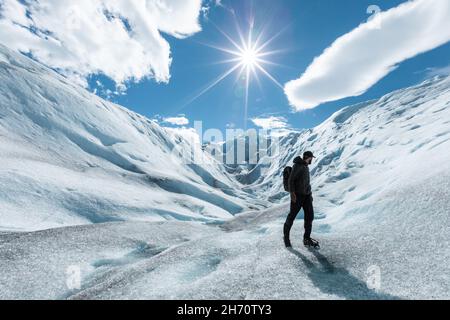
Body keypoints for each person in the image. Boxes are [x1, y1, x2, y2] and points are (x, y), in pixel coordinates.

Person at [283, 151, 319, 248]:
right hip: (298, 196)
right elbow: (291, 180)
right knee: (292, 216)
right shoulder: (297, 166)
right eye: (311, 157)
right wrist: (292, 193)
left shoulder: (305, 166)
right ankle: (286, 238)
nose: (311, 159)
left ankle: (306, 238)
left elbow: (306, 183)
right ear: (306, 157)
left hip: (306, 196)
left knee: (310, 216)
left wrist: (310, 194)